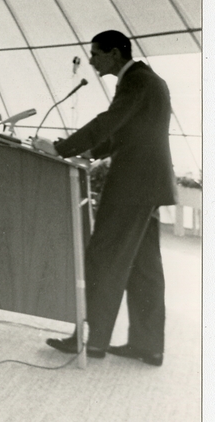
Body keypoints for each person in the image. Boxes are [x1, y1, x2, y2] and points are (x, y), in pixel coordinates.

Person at [42, 30, 174, 366]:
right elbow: (127, 130)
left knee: (104, 257)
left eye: (95, 54)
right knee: (144, 267)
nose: (91, 61)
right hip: (149, 187)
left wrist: (60, 149)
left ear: (115, 54)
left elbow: (110, 122)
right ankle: (148, 345)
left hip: (132, 187)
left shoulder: (136, 81)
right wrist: (90, 152)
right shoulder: (148, 80)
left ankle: (92, 341)